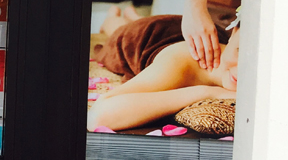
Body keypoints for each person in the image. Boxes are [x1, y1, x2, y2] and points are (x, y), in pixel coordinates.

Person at [87, 10, 238, 132]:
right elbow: (97, 117)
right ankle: (113, 16)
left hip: (182, 30)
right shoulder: (179, 64)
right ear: (234, 32)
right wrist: (207, 92)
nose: (241, 71)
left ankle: (134, 15)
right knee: (116, 30)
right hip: (145, 34)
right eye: (239, 51)